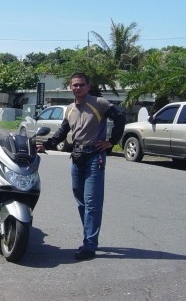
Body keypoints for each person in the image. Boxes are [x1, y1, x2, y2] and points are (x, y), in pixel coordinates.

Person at [37, 72, 125, 260]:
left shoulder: (99, 103)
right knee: (81, 201)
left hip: (95, 156)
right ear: (70, 87)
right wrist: (46, 145)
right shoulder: (69, 109)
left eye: (81, 85)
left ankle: (89, 245)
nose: (78, 88)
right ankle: (89, 238)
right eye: (75, 85)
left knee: (92, 203)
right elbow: (62, 132)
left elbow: (120, 118)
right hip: (77, 156)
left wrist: (111, 142)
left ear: (88, 85)